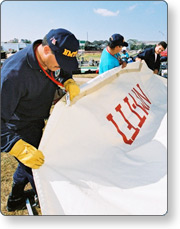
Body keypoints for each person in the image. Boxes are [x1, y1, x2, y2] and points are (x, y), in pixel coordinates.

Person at [1, 28, 80, 212]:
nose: (61, 66)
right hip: (19, 125)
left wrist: (68, 80)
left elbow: (62, 71)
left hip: (36, 119)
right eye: (60, 62)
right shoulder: (14, 74)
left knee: (31, 163)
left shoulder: (51, 61)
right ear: (46, 50)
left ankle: (15, 199)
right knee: (41, 169)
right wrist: (16, 146)